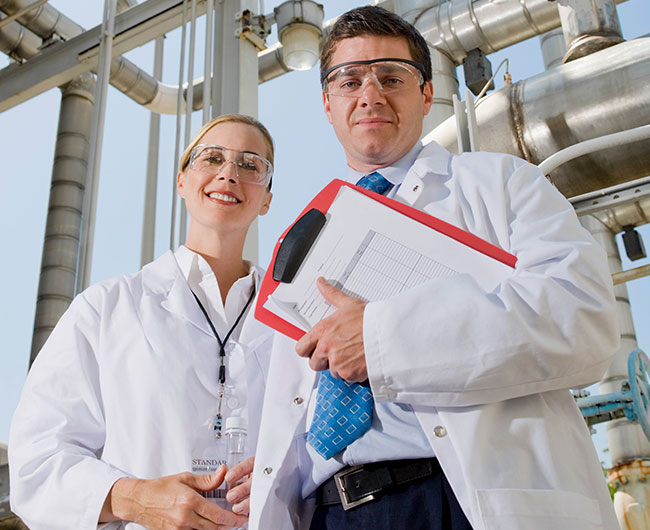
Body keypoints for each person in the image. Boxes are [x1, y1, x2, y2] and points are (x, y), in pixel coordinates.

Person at [248, 6, 620, 530]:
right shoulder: (302, 240)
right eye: (349, 80)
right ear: (328, 104)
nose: (370, 94)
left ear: (426, 95)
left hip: (454, 502)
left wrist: (379, 339)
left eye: (391, 77)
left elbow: (583, 320)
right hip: (329, 515)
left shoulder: (500, 185)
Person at [9, 113, 275, 530]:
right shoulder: (107, 308)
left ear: (266, 199)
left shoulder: (293, 318)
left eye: (250, 164)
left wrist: (286, 476)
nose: (228, 174)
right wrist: (135, 498)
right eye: (212, 158)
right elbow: (38, 459)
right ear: (182, 181)